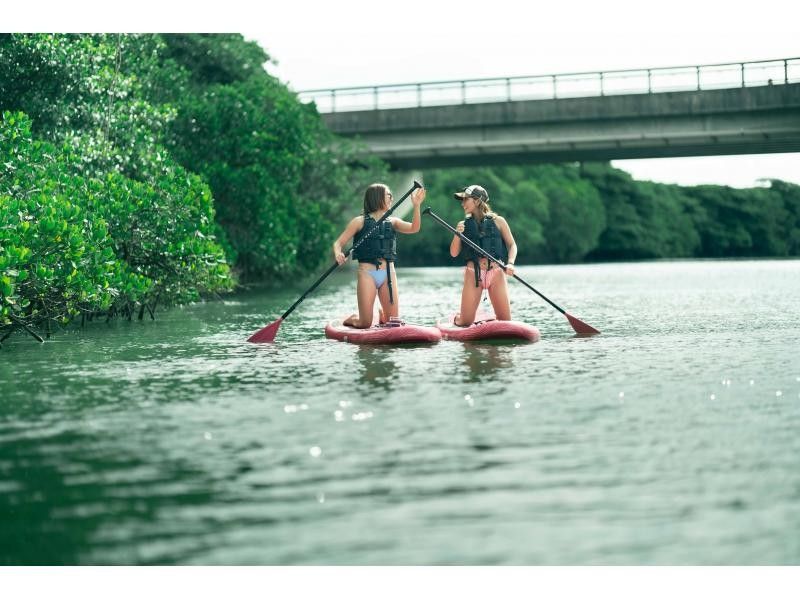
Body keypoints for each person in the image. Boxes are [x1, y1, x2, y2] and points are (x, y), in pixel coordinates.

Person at [333, 183, 426, 328]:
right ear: (377, 198)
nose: (391, 198)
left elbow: (415, 228)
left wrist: (416, 206)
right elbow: (338, 243)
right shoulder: (359, 222)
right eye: (388, 195)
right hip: (367, 274)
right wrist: (338, 253)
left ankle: (384, 315)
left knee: (394, 322)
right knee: (365, 323)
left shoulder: (393, 221)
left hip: (388, 274)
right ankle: (353, 318)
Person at [449, 184, 518, 326]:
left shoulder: (499, 221)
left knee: (506, 322)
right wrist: (457, 234)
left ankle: (489, 321)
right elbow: (454, 253)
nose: (462, 204)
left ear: (477, 200)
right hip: (473, 274)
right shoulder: (463, 225)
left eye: (465, 200)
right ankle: (457, 318)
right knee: (465, 322)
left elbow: (512, 245)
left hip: (497, 273)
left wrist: (510, 263)